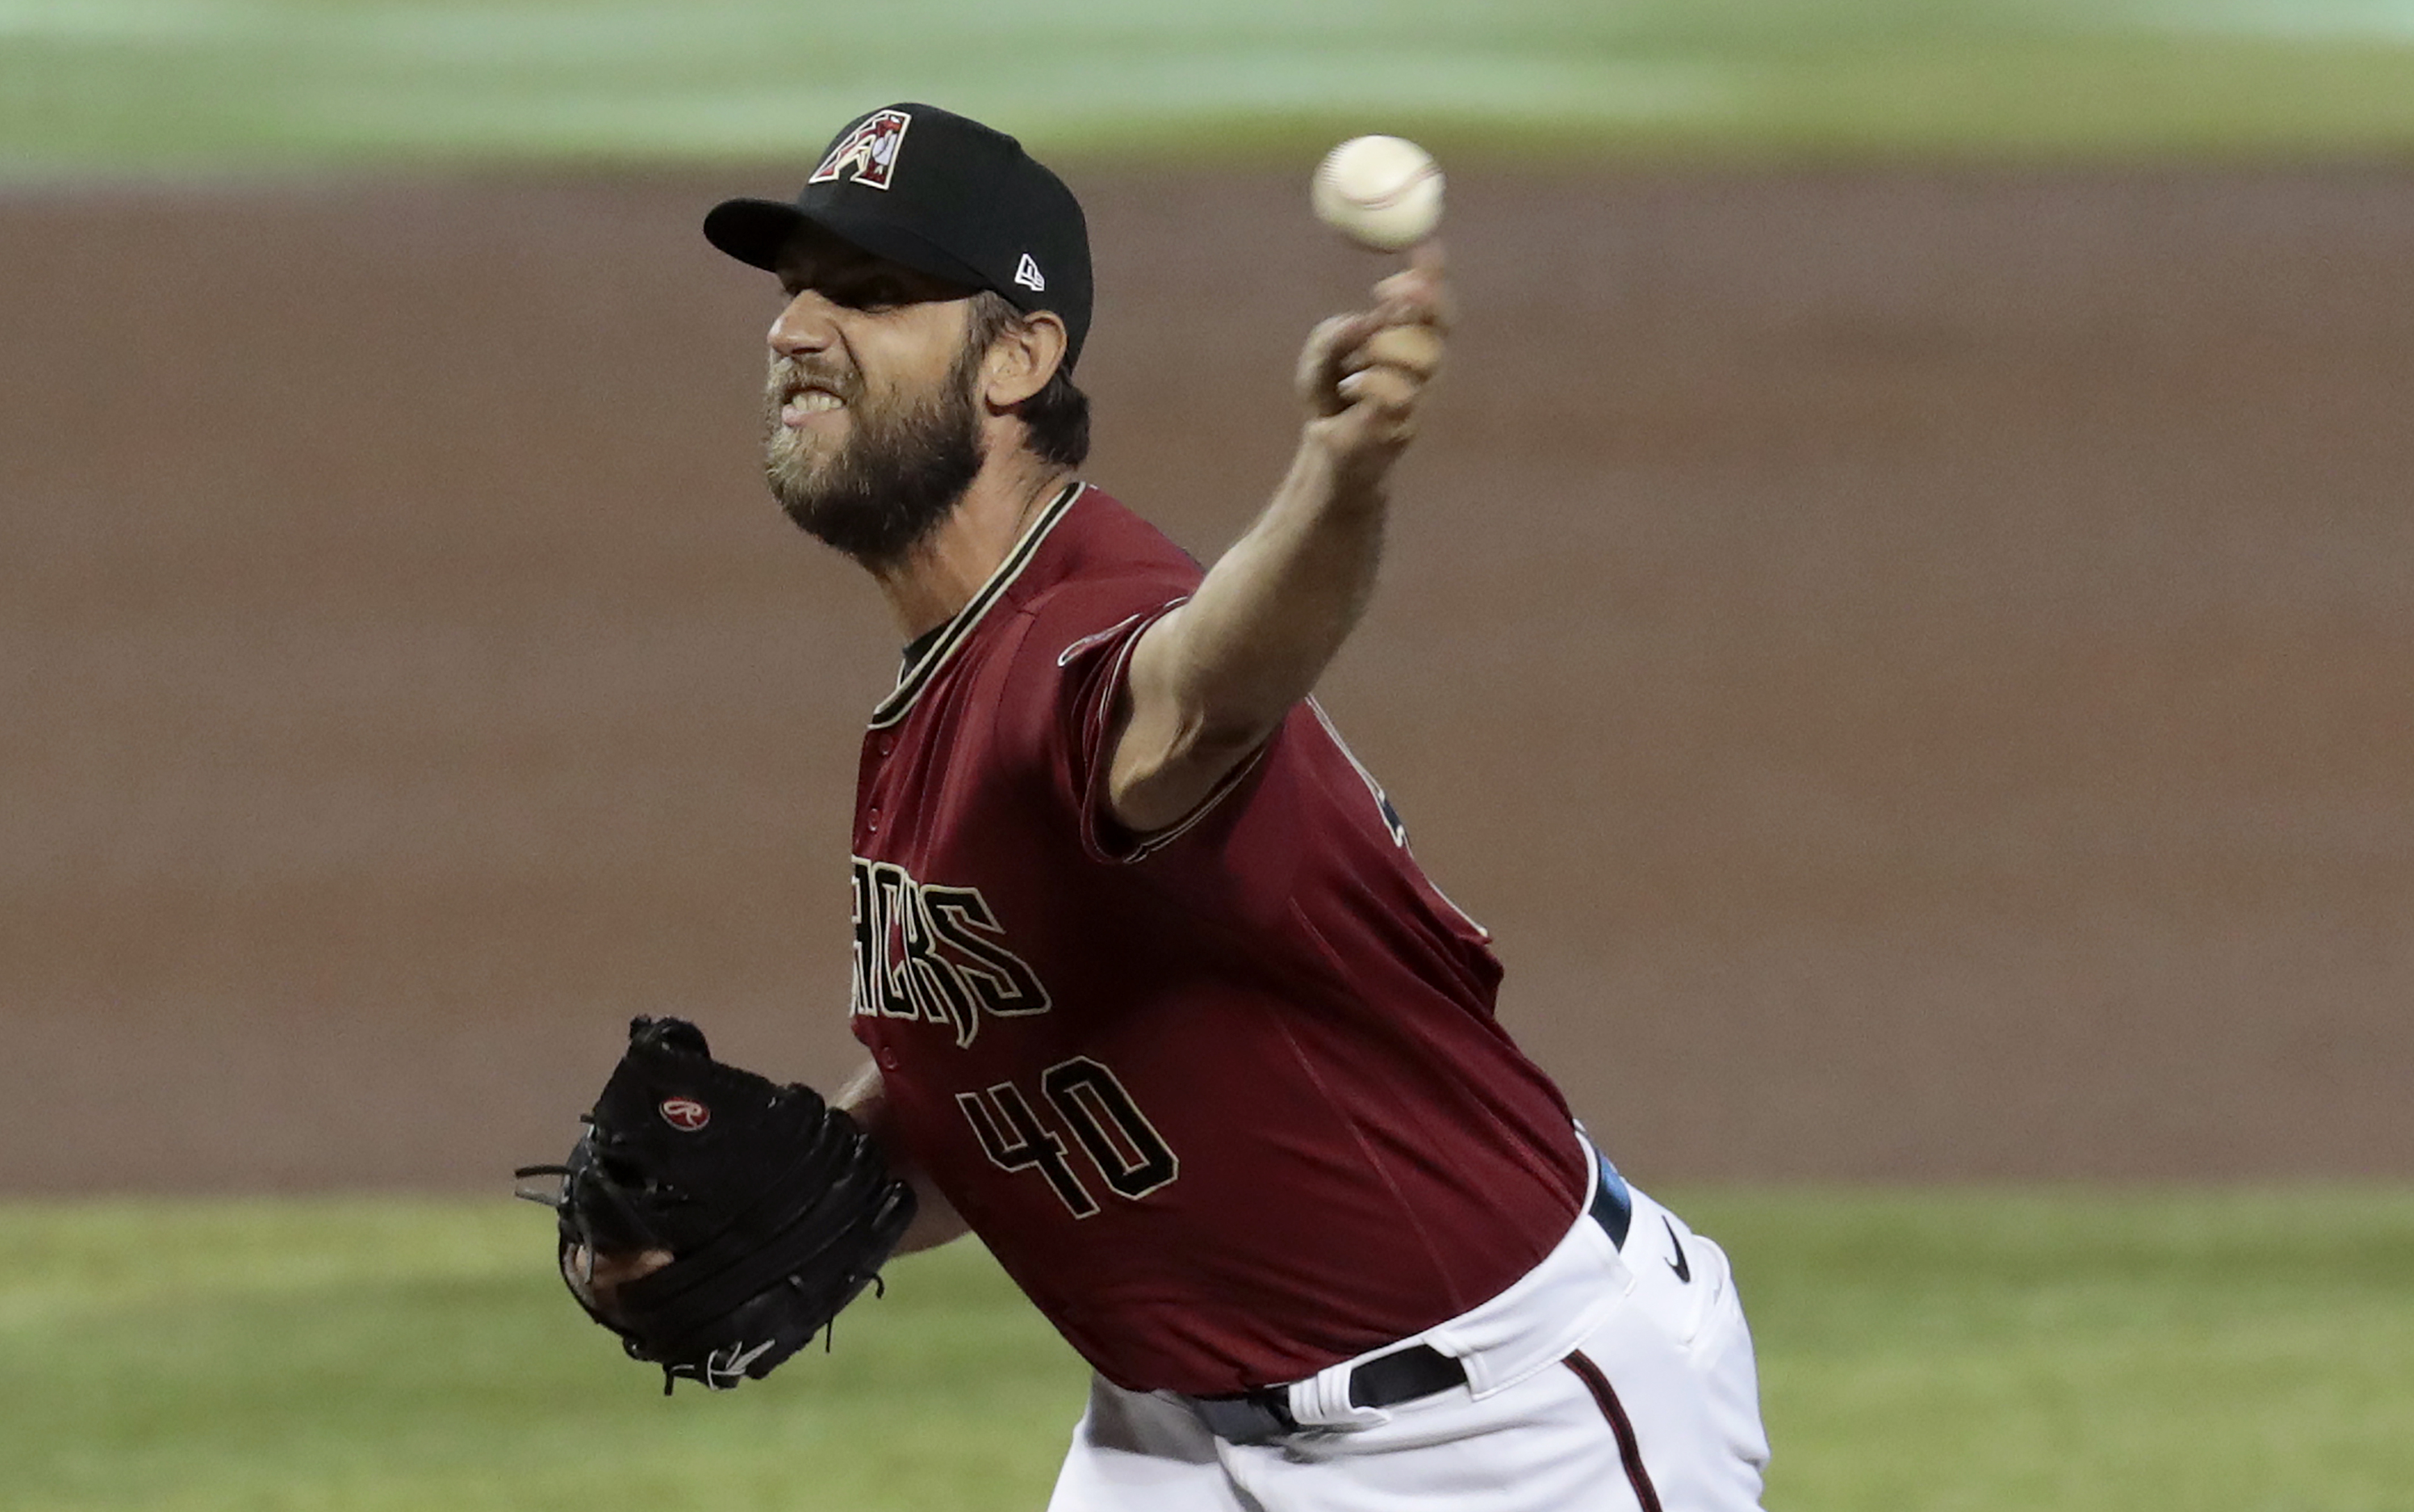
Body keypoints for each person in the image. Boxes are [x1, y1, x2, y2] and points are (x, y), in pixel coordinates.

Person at [689, 102, 1773, 1511]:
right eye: (796, 290)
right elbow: (1023, 1061)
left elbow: (1207, 689)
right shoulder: (954, 672)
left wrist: (1340, 473)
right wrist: (817, 1192)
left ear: (1019, 354)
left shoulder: (1080, 638)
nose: (799, 329)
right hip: (1172, 1436)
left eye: (875, 293)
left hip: (1495, 1431)